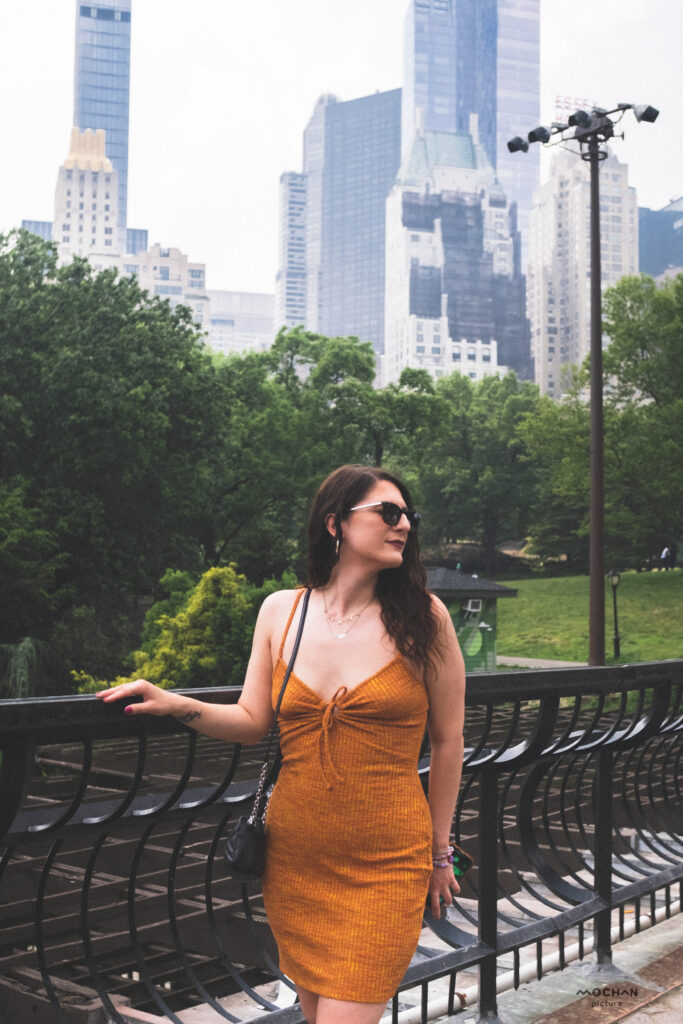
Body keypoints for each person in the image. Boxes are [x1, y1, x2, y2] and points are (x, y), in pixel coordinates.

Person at [98, 464, 466, 1024]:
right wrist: (175, 703)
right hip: (295, 860)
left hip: (387, 861)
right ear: (335, 522)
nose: (404, 526)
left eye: (408, 516)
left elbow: (448, 741)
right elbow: (251, 721)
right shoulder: (281, 612)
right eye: (388, 513)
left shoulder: (426, 618)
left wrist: (440, 854)